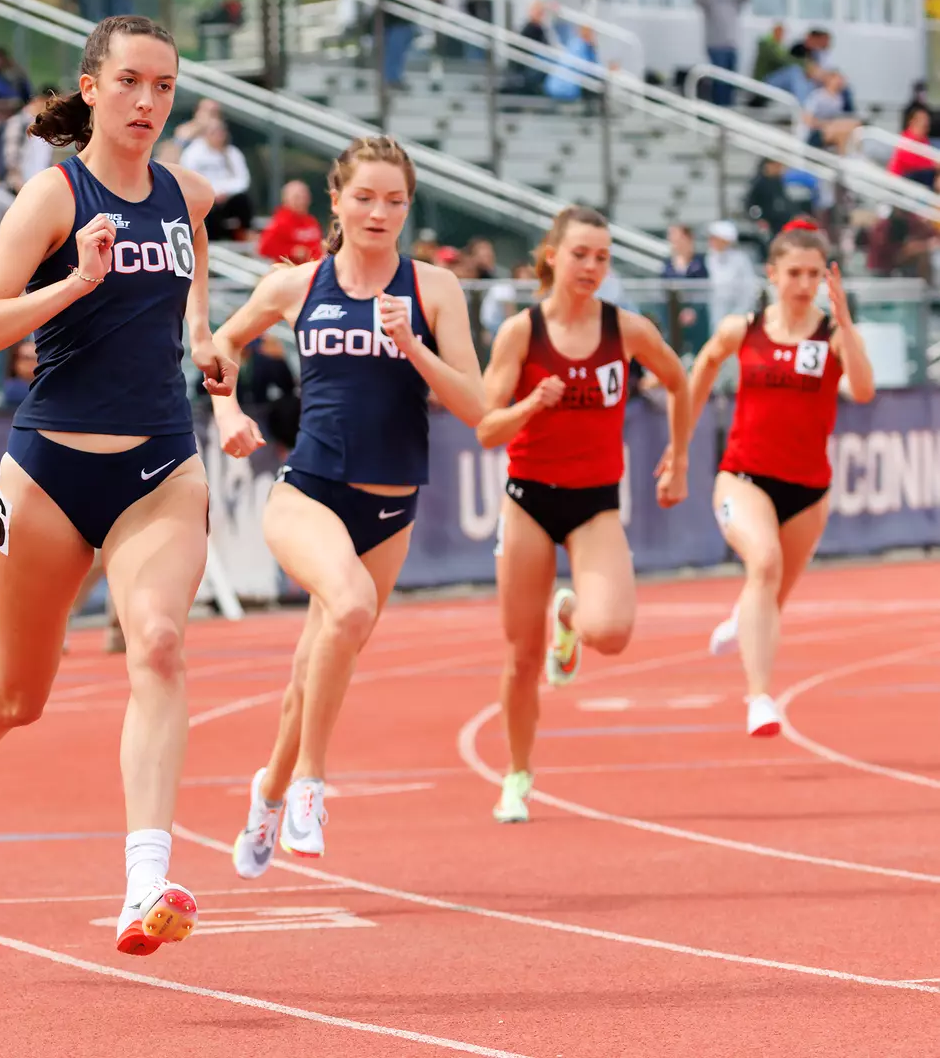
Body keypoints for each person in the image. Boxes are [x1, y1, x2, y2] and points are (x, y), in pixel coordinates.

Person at [0, 15, 234, 957]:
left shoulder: (188, 193)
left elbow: (193, 277)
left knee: (164, 644)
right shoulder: (54, 198)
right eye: (132, 82)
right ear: (93, 88)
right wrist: (73, 284)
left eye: (165, 87)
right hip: (51, 471)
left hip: (160, 468)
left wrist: (204, 337)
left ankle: (144, 880)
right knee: (19, 694)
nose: (149, 102)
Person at [209, 136, 485, 874]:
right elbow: (216, 348)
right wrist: (228, 414)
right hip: (308, 493)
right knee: (352, 607)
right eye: (364, 196)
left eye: (395, 200)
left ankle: (265, 795)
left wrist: (416, 349)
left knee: (313, 674)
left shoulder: (434, 290)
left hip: (391, 508)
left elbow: (478, 405)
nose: (379, 211)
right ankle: (309, 785)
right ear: (336, 201)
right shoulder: (298, 285)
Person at [476, 206, 692, 824]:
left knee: (613, 634)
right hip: (527, 501)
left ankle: (570, 617)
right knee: (520, 656)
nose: (591, 267)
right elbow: (488, 429)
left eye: (602, 257)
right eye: (580, 254)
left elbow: (679, 381)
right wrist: (530, 407)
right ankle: (517, 776)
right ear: (552, 256)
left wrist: (678, 458)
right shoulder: (521, 332)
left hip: (595, 500)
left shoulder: (626, 330)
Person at [687, 221, 874, 737]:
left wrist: (847, 323)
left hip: (808, 490)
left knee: (771, 594)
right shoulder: (742, 329)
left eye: (814, 274)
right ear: (771, 274)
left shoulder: (832, 336)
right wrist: (679, 444)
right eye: (794, 272)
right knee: (764, 563)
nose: (804, 282)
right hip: (744, 476)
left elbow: (862, 390)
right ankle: (759, 699)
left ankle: (739, 619)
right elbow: (702, 368)